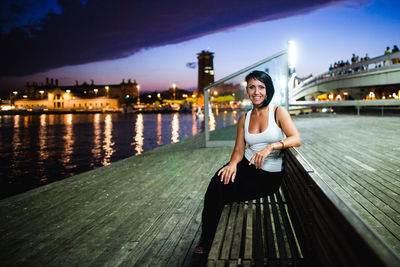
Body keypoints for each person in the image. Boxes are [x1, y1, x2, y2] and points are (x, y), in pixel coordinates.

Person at [194, 70, 301, 254]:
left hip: (268, 177)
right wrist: (232, 164)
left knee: (224, 190)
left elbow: (296, 138)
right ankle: (207, 239)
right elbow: (238, 150)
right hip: (246, 166)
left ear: (268, 90)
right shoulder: (244, 118)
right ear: (247, 91)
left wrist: (271, 147)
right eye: (252, 87)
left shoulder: (278, 112)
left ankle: (216, 240)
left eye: (261, 87)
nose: (256, 91)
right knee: (217, 183)